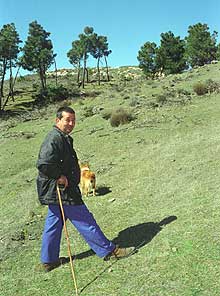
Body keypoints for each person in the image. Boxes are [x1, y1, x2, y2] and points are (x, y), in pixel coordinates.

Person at [36, 106, 134, 272]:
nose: (71, 123)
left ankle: (48, 261)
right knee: (85, 220)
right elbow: (44, 164)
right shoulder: (54, 138)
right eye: (67, 120)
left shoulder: (62, 137)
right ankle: (109, 251)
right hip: (61, 191)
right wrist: (60, 176)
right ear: (57, 120)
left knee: (53, 224)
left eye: (73, 120)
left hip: (55, 191)